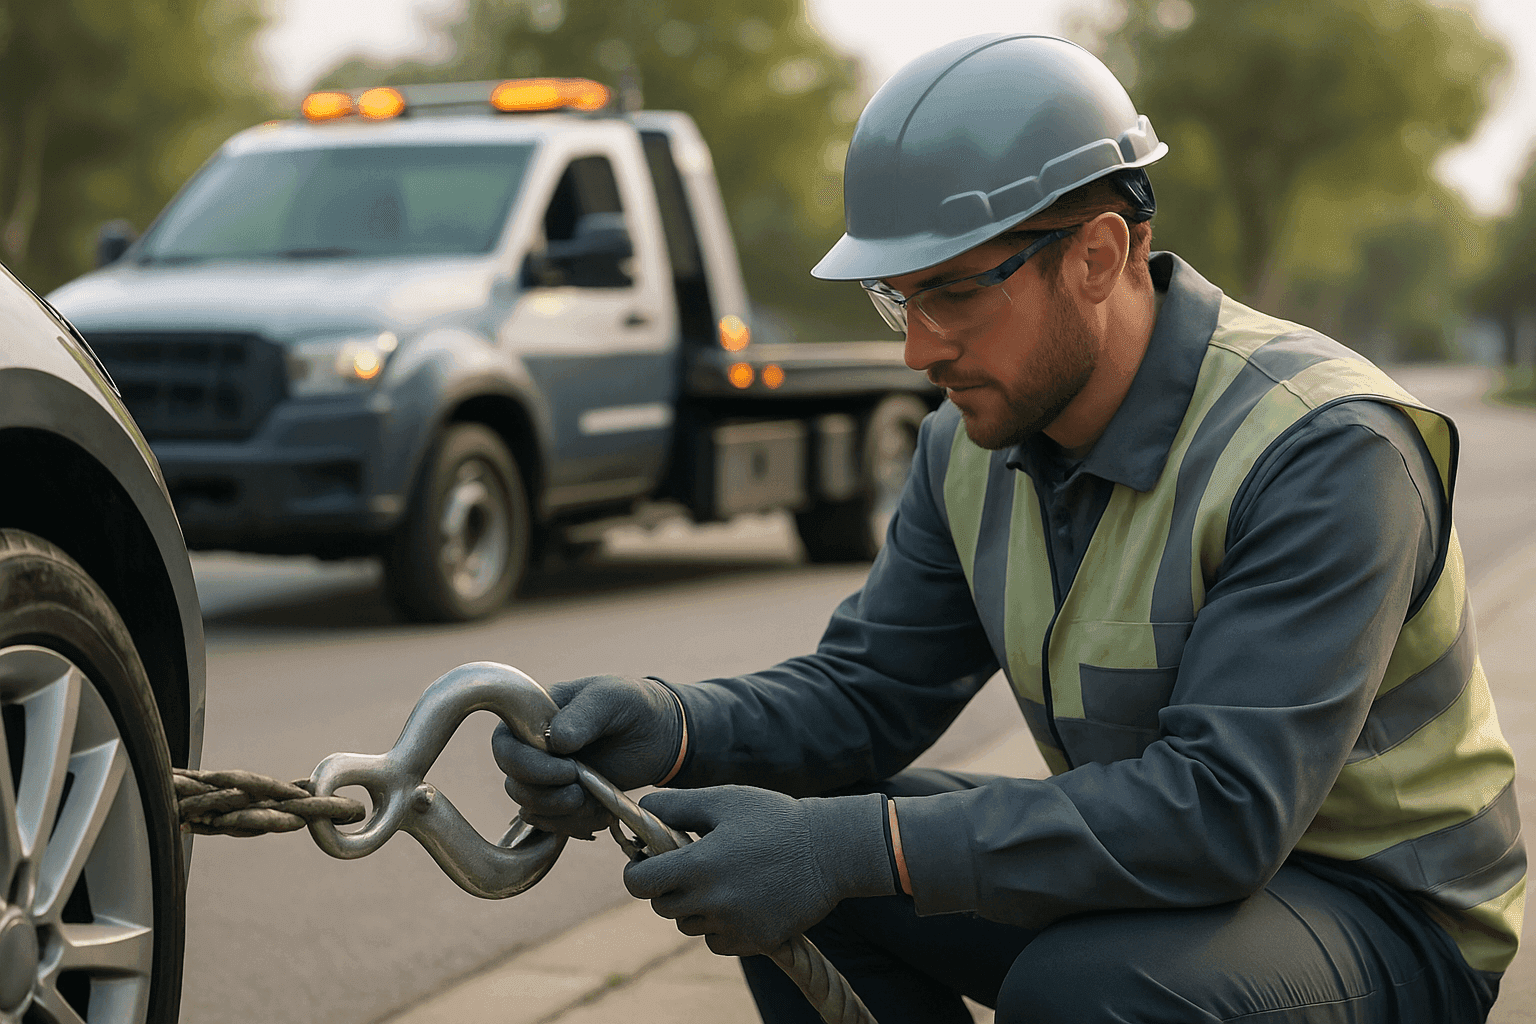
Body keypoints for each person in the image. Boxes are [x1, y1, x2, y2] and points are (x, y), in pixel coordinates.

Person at [492, 34, 1524, 1023]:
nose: (918, 350)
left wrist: (851, 843)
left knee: (1085, 991)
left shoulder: (1323, 448)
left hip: (1386, 909)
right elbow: (866, 695)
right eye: (897, 300)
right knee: (784, 868)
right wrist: (673, 728)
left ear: (1100, 254)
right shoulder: (969, 446)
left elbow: (1220, 812)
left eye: (950, 291)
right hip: (1177, 875)